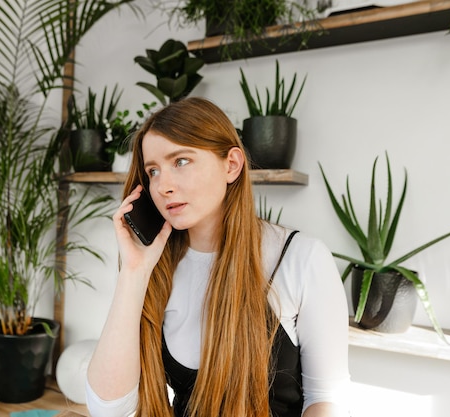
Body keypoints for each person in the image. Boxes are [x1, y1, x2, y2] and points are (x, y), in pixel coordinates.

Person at [85, 97, 350, 417]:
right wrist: (133, 272)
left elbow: (325, 399)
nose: (163, 185)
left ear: (232, 165)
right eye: (152, 171)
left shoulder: (301, 258)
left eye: (180, 161)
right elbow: (108, 409)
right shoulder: (157, 265)